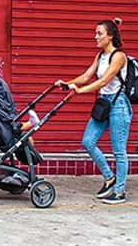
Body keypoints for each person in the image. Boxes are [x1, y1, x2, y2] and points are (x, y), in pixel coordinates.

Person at [55, 18, 132, 205]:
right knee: (88, 141)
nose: (95, 37)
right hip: (104, 103)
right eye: (96, 33)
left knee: (119, 151)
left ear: (110, 36)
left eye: (99, 34)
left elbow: (104, 81)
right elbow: (86, 76)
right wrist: (66, 84)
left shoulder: (119, 56)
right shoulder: (100, 56)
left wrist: (80, 91)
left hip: (119, 105)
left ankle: (119, 192)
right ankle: (109, 178)